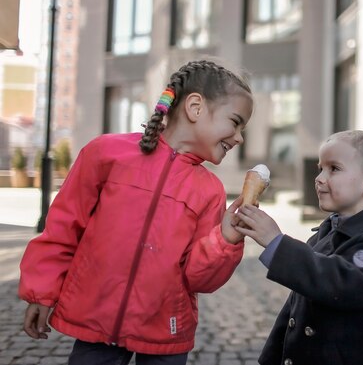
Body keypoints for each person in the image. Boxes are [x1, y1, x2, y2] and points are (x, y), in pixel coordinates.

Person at [18, 59, 254, 365]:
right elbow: (63, 227)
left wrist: (225, 239)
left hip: (165, 335)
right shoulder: (104, 154)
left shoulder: (210, 191)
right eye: (235, 122)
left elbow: (199, 278)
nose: (239, 138)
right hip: (96, 327)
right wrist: (41, 293)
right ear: (195, 107)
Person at [234, 130, 363, 365]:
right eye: (320, 168)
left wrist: (276, 243)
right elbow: (294, 309)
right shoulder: (327, 231)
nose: (320, 178)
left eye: (334, 168)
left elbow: (341, 282)